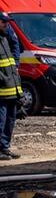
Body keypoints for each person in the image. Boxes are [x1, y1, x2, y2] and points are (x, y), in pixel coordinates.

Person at [0, 12, 21, 159]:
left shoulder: (5, 37)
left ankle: (5, 147)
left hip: (12, 88)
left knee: (10, 119)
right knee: (0, 120)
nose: (6, 24)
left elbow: (14, 54)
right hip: (2, 89)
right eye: (3, 22)